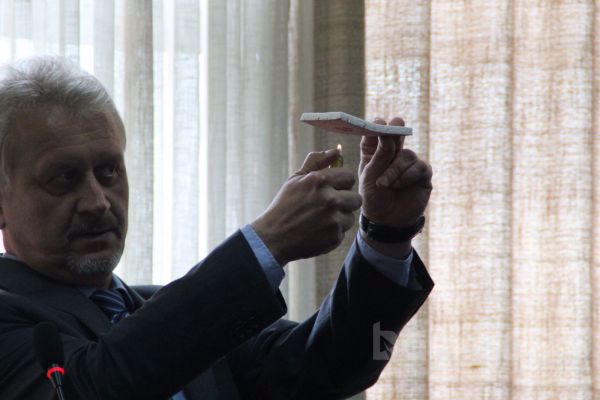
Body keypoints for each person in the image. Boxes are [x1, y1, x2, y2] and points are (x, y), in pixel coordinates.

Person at [0, 57, 434, 400]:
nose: (97, 201)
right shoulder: (16, 318)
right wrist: (268, 242)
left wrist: (385, 237)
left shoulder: (172, 312)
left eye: (109, 171)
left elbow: (333, 367)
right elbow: (97, 385)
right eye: (64, 178)